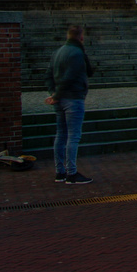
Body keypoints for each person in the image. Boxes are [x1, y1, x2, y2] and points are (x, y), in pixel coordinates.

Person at [45, 23, 97, 184]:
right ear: (81, 37)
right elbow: (72, 76)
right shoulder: (76, 53)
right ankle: (71, 173)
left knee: (61, 135)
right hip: (73, 98)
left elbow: (48, 75)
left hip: (59, 100)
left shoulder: (58, 52)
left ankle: (60, 171)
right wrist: (58, 94)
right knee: (73, 137)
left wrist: (53, 94)